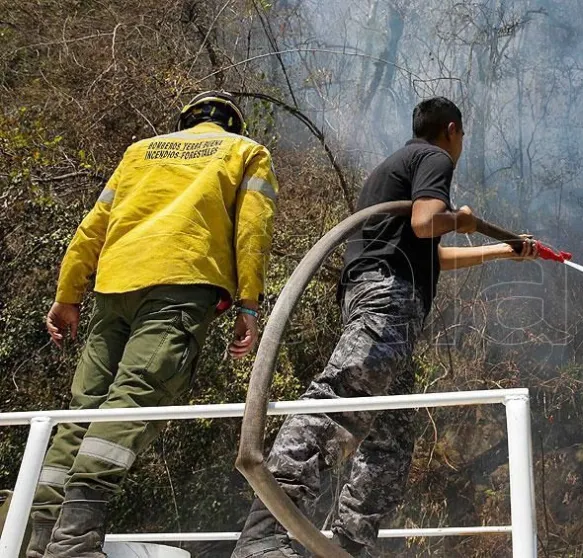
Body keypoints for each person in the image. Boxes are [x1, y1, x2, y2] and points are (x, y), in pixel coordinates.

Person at [231, 96, 537, 558]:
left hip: (381, 296)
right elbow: (427, 223)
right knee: (341, 397)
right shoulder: (433, 157)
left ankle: (349, 544)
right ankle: (263, 533)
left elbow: (429, 252)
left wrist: (500, 251)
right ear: (452, 130)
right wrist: (462, 221)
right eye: (461, 137)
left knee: (390, 439)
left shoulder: (390, 169)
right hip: (388, 298)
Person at [30, 91, 279, 558]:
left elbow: (93, 226)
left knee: (85, 406)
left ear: (185, 121)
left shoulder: (140, 152)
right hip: (182, 285)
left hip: (114, 285)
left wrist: (67, 296)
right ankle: (74, 542)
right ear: (233, 123)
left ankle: (39, 536)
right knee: (134, 398)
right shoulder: (246, 152)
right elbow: (253, 229)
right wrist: (248, 304)